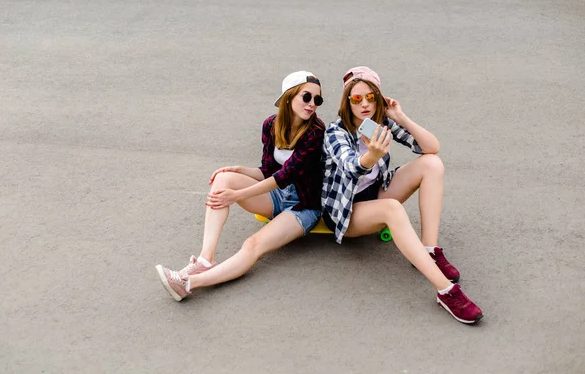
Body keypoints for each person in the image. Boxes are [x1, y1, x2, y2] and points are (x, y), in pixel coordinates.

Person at [321, 66, 483, 324]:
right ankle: (446, 291)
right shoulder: (335, 132)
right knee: (392, 208)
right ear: (347, 101)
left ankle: (429, 249)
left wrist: (400, 116)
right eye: (356, 98)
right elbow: (351, 166)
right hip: (347, 211)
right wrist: (371, 155)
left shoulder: (379, 124)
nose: (364, 104)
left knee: (432, 164)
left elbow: (431, 147)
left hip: (376, 192)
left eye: (371, 97)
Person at [155, 71, 325, 301]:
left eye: (318, 99)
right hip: (275, 194)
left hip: (303, 206)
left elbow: (286, 175)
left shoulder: (316, 131)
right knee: (222, 178)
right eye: (307, 97)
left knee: (252, 244)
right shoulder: (271, 125)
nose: (312, 104)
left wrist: (238, 195)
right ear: (289, 97)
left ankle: (189, 283)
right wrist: (237, 169)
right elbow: (267, 171)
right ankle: (206, 259)